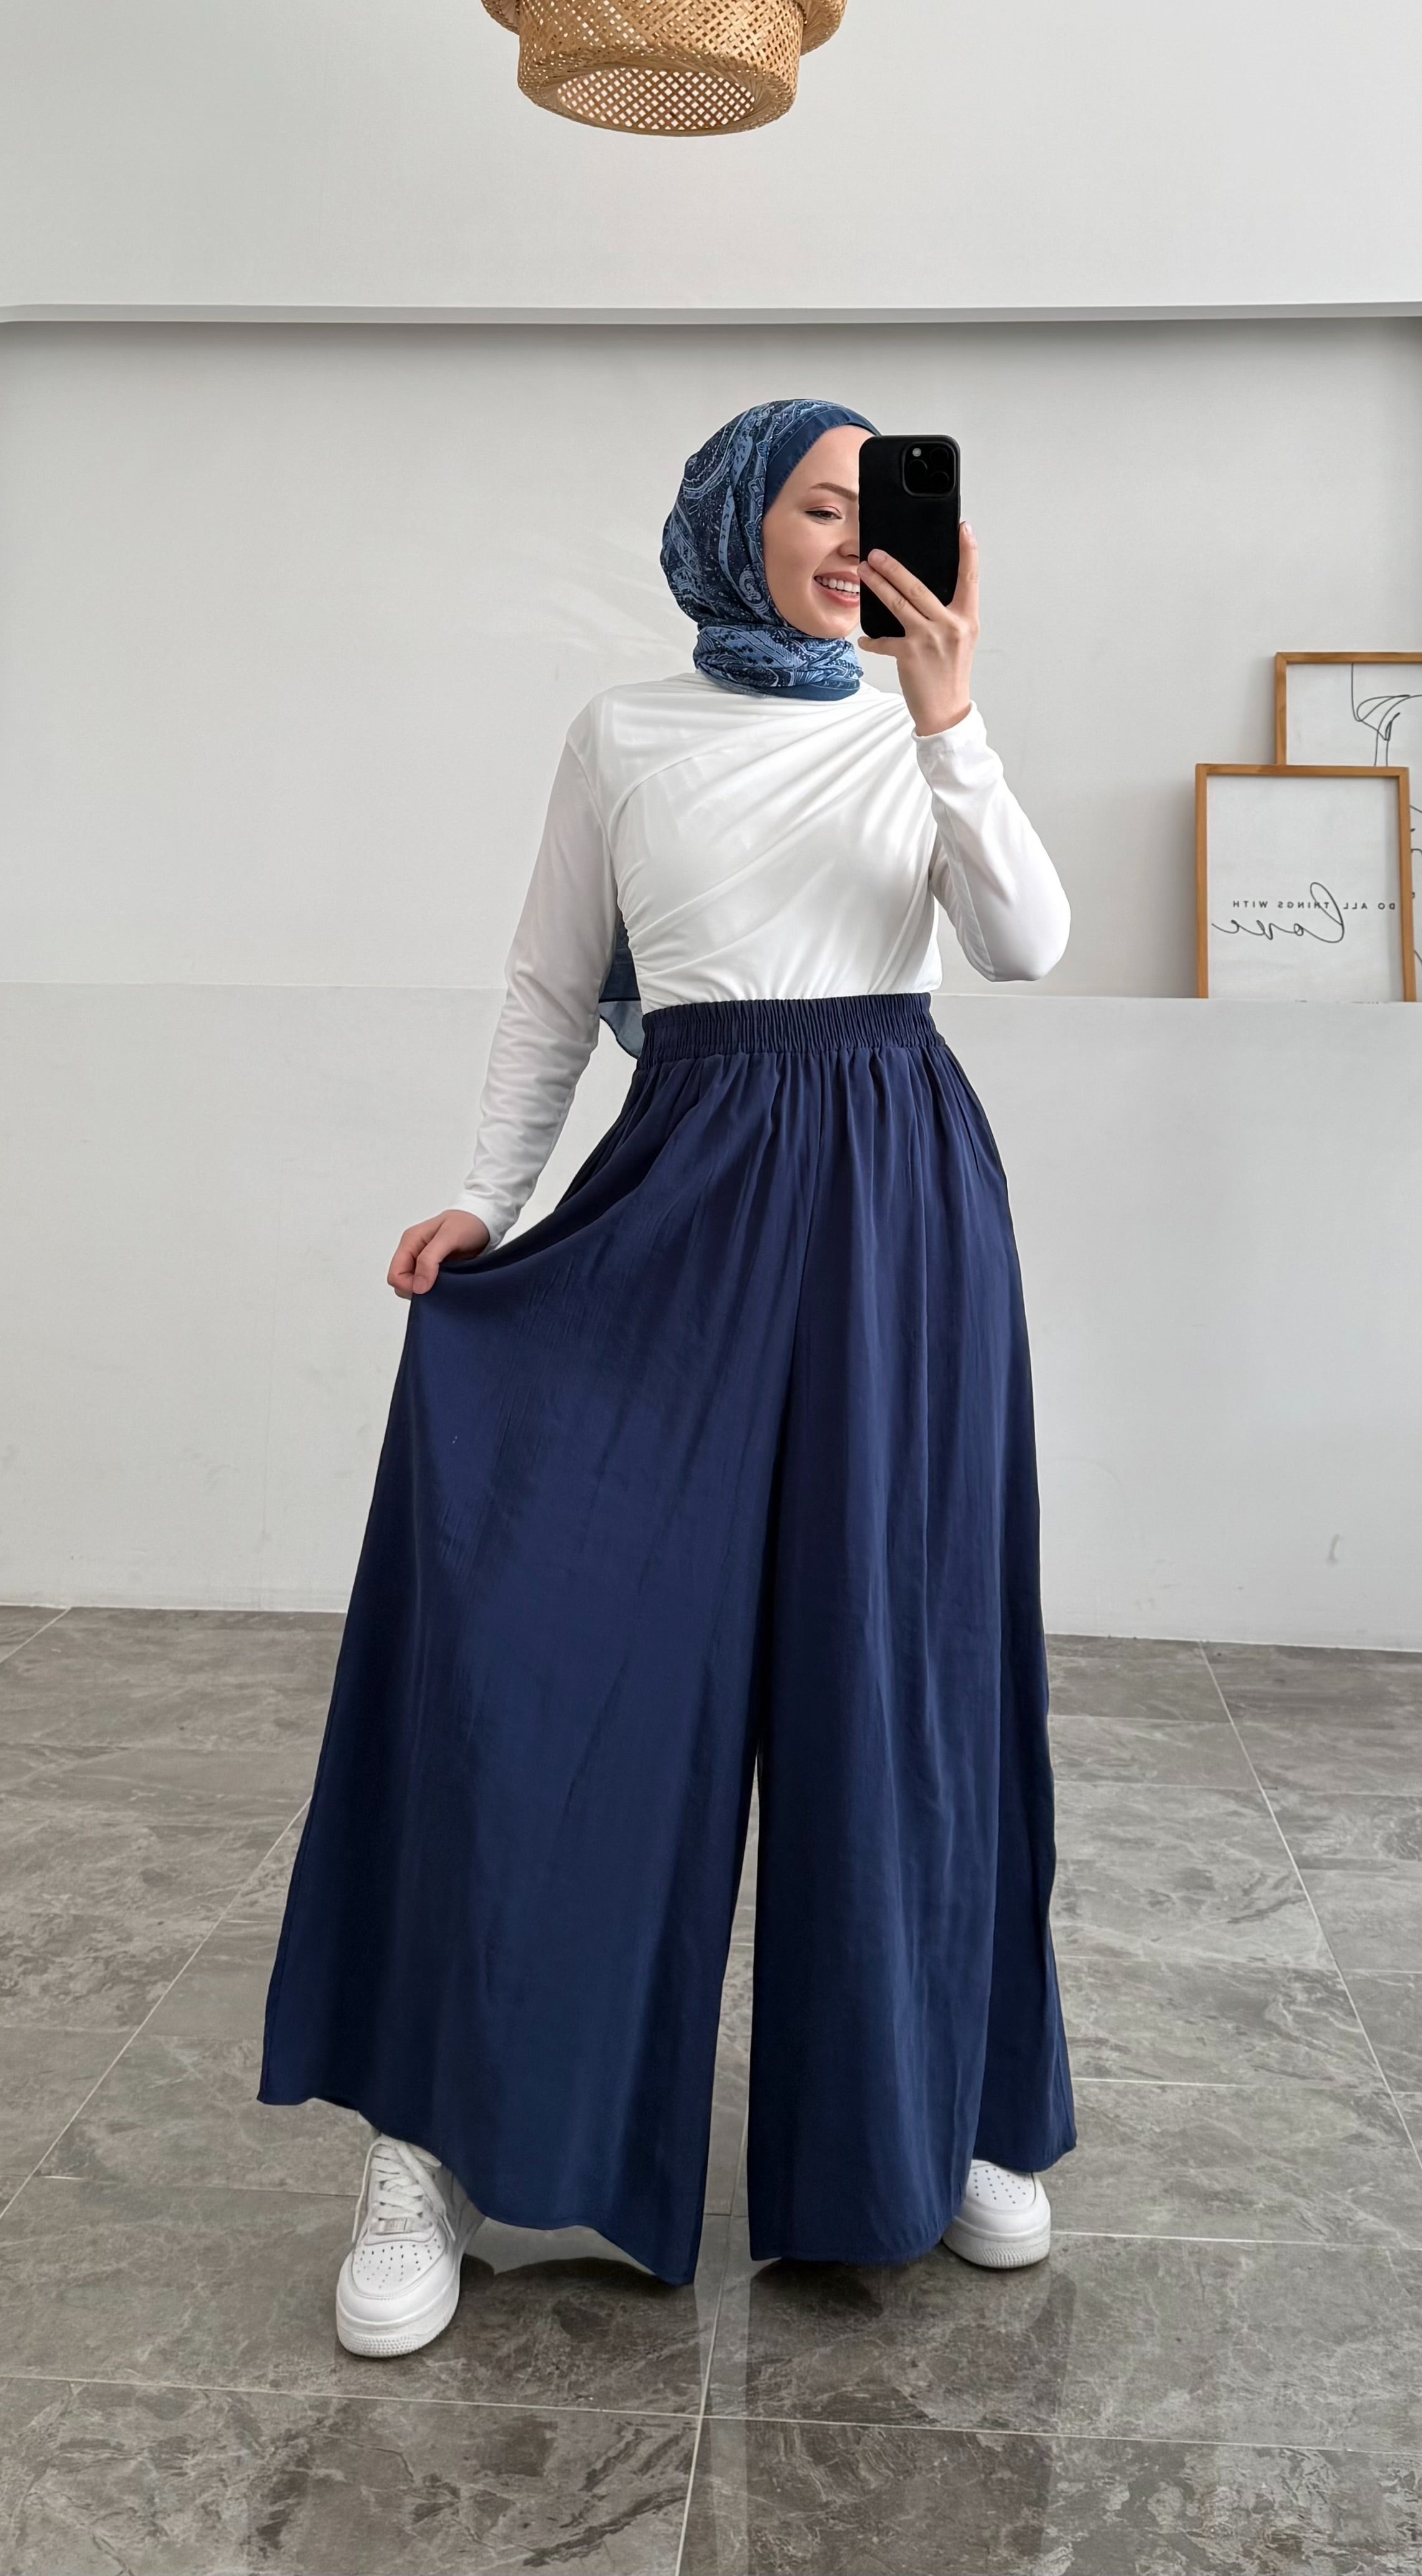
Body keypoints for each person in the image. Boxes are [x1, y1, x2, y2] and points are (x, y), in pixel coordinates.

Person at [257, 398, 1077, 2359]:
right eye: (818, 503)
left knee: (901, 1670)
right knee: (542, 1655)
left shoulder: (919, 717)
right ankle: (438, 2139)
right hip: (684, 1194)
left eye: (876, 507)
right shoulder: (624, 733)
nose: (852, 537)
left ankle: (938, 2110)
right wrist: (484, 1199)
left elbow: (1026, 943)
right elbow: (554, 984)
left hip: (898, 1209)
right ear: (732, 521)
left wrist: (949, 718)